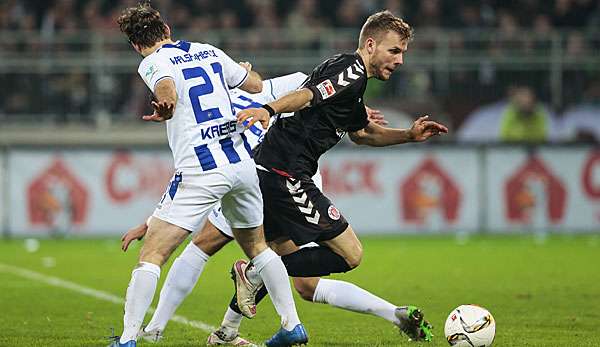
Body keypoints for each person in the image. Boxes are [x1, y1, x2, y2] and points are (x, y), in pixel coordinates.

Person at [121, 73, 401, 346]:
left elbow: (311, 88)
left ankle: (164, 328)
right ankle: (229, 328)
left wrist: (355, 108)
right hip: (274, 177)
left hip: (273, 177)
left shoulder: (212, 109)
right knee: (290, 272)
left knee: (213, 246)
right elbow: (309, 87)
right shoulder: (239, 93)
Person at [236, 10, 448, 341]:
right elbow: (307, 97)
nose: (400, 60)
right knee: (350, 254)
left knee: (289, 267)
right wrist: (268, 109)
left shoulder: (353, 85)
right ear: (371, 44)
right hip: (285, 172)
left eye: (403, 52)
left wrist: (408, 134)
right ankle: (254, 275)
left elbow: (363, 134)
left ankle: (230, 328)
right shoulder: (351, 70)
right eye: (394, 51)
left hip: (272, 170)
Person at [110, 3, 305, 347]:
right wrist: (244, 72)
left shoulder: (152, 62)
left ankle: (128, 340)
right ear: (167, 29)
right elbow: (257, 86)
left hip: (202, 169)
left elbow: (166, 86)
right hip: (242, 165)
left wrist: (165, 105)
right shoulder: (207, 50)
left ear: (136, 45)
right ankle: (291, 325)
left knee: (152, 254)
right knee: (258, 247)